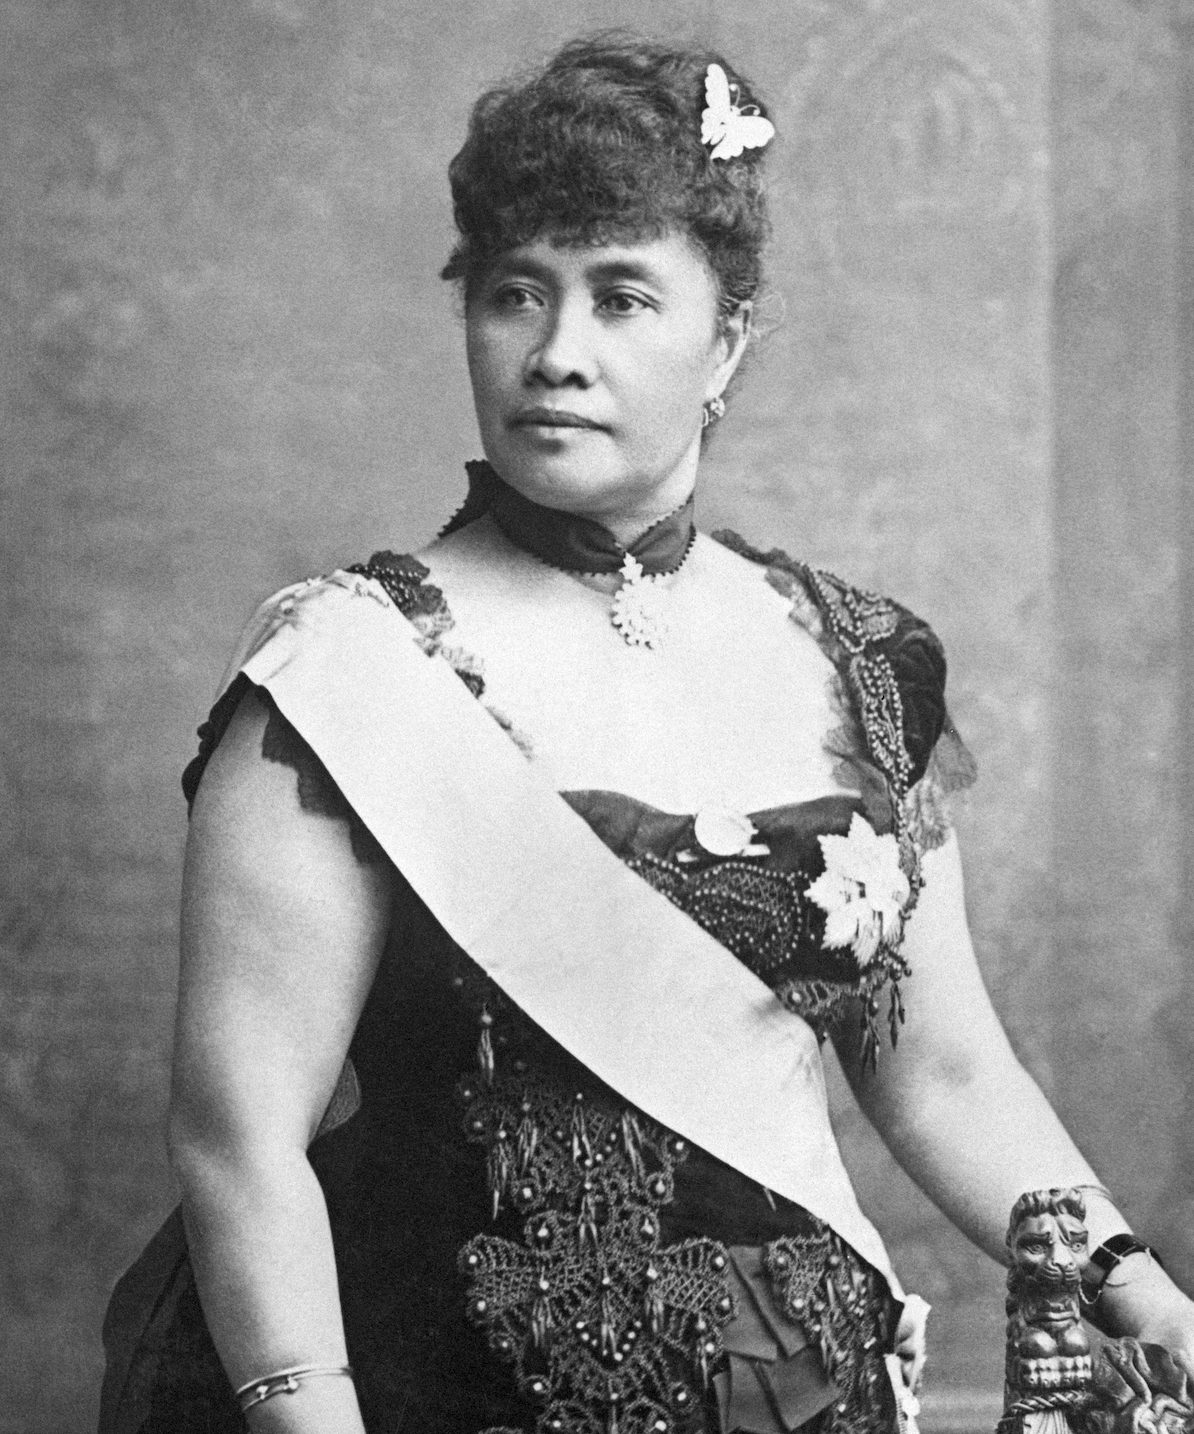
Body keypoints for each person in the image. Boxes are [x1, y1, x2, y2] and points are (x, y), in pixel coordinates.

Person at [98, 32, 1194, 1434]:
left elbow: (942, 1064)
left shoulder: (858, 659)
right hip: (442, 1388)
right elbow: (238, 1138)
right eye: (515, 295)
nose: (555, 353)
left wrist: (1132, 1285)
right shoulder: (343, 671)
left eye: (620, 298)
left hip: (807, 1397)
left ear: (722, 340)